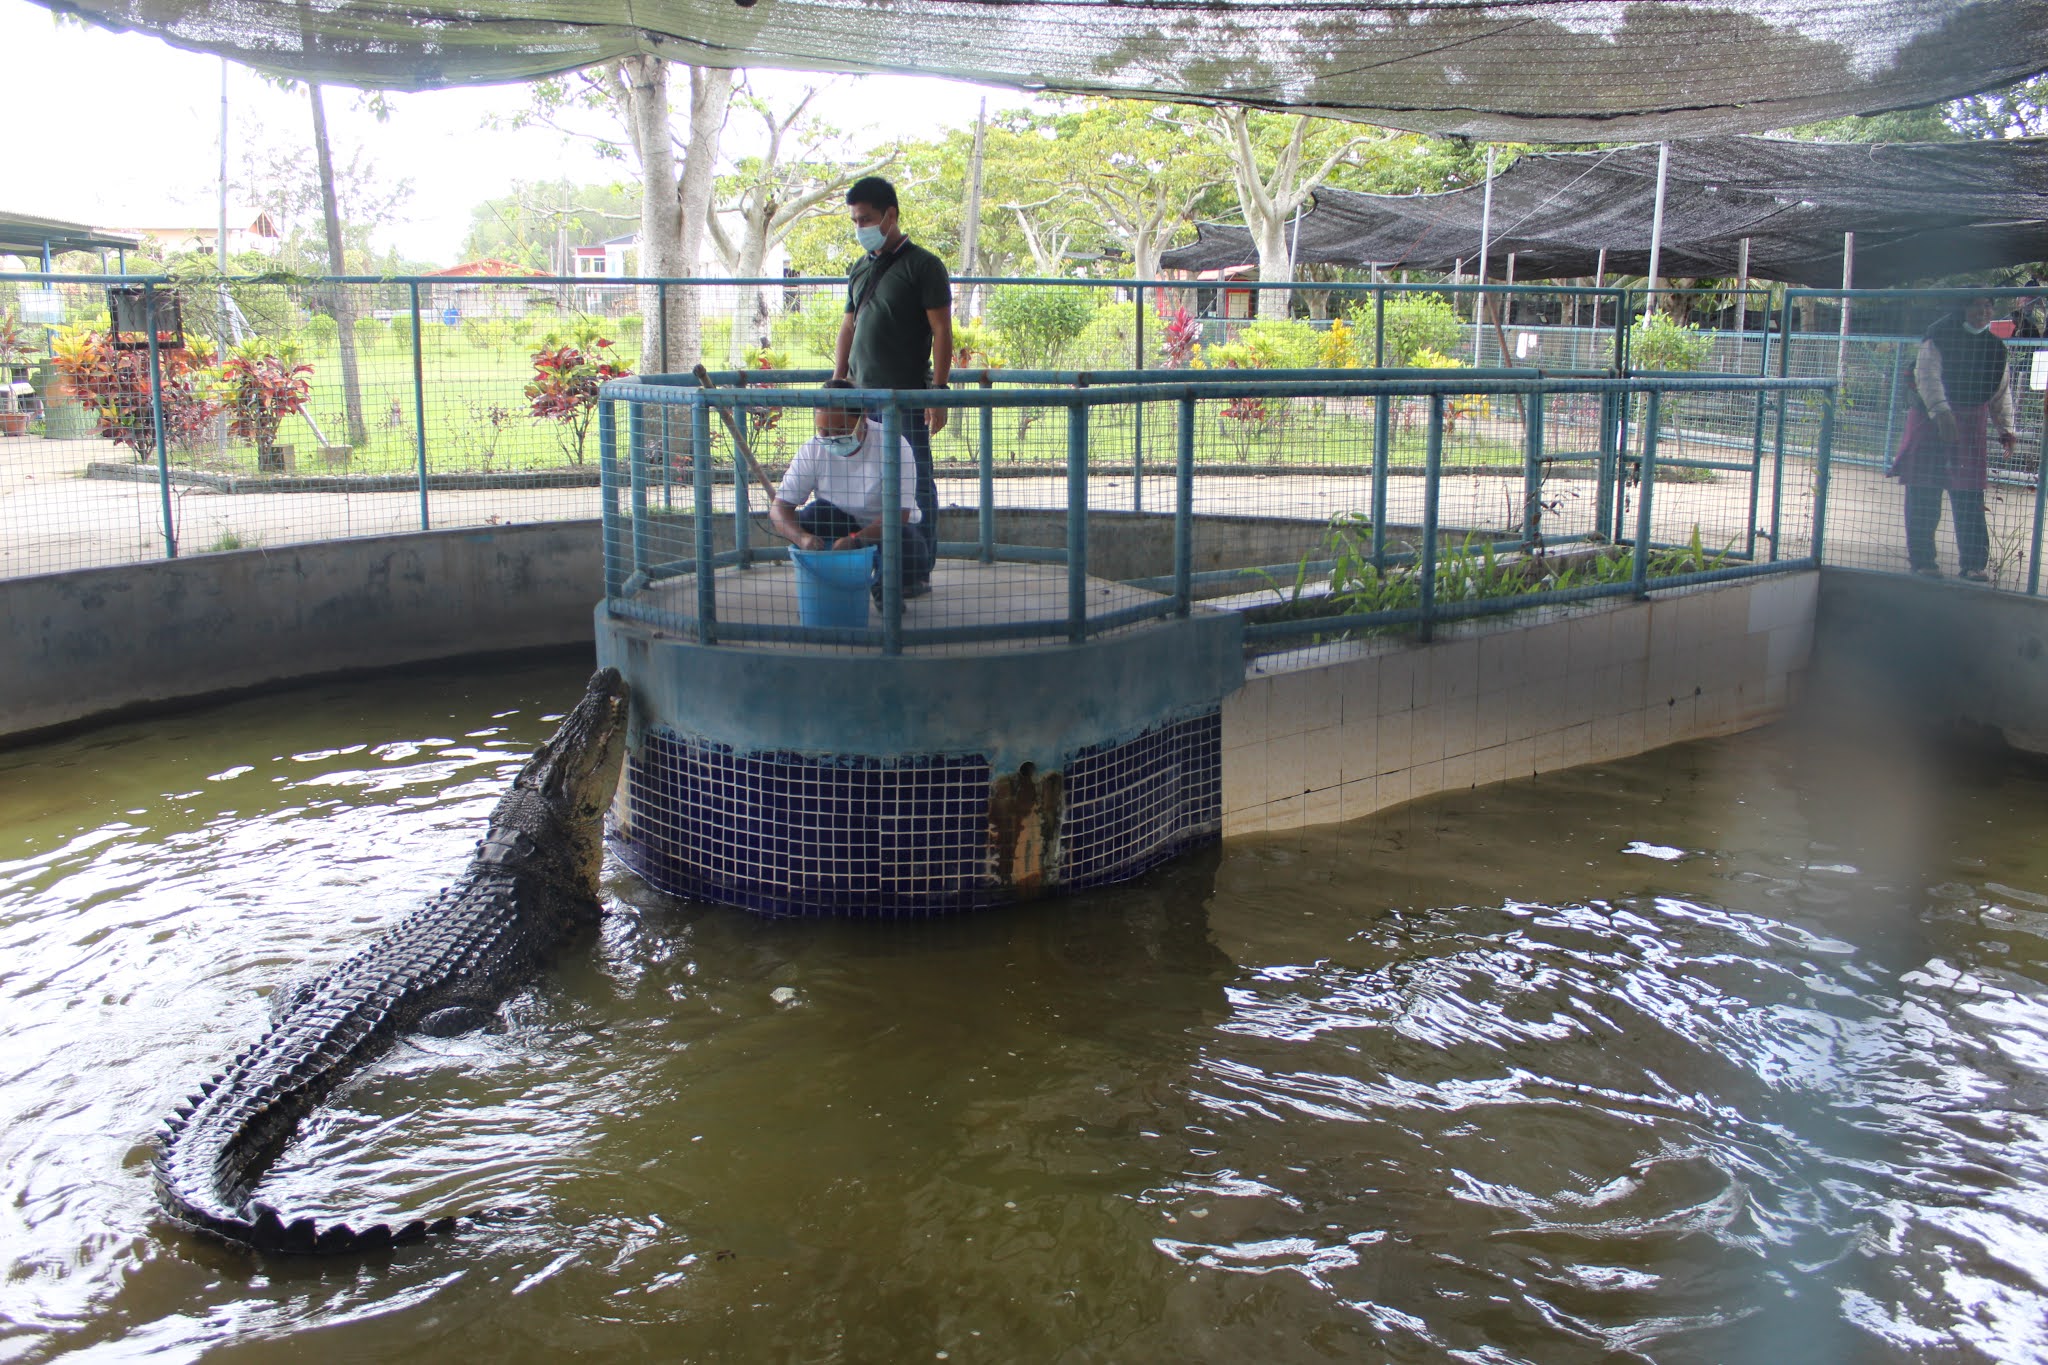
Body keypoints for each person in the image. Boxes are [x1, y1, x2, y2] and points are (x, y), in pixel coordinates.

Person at [833, 175, 951, 596]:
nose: (859, 227)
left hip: (905, 400)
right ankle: (882, 565)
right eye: (855, 220)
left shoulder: (924, 265)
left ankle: (917, 569)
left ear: (891, 215)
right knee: (867, 483)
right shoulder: (860, 267)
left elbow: (942, 331)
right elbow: (848, 326)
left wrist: (936, 393)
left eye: (865, 219)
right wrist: (838, 380)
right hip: (863, 400)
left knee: (914, 483)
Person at [1888, 294, 2019, 583]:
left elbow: (2000, 390)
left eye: (1987, 306)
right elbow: (1927, 377)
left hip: (1971, 424)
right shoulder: (1938, 336)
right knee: (1924, 492)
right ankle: (1923, 560)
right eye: (1975, 305)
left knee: (1970, 497)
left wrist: (2005, 429)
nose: (1982, 312)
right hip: (1930, 421)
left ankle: (1973, 564)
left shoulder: (1995, 347)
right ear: (1962, 308)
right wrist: (1941, 413)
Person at [769, 379, 931, 603]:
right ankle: (831, 581)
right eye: (823, 431)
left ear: (863, 417)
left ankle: (890, 588)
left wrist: (856, 540)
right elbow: (779, 508)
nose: (831, 438)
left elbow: (899, 515)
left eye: (840, 430)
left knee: (908, 545)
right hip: (841, 521)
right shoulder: (812, 449)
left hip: (889, 530)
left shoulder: (894, 444)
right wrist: (802, 538)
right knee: (812, 515)